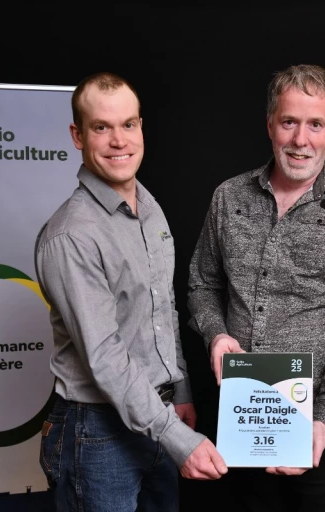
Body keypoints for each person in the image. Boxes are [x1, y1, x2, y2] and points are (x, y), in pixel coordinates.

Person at [187, 64, 325, 512]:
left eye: (315, 124)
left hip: (322, 427)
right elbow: (202, 284)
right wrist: (216, 334)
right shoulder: (229, 197)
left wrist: (321, 422)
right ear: (270, 124)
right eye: (289, 122)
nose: (301, 140)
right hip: (243, 417)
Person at [34, 72, 226, 512]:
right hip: (97, 432)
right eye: (101, 127)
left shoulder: (149, 208)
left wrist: (179, 392)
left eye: (129, 125)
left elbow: (163, 308)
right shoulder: (71, 236)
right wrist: (177, 438)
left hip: (153, 416)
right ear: (77, 136)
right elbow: (105, 357)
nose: (119, 140)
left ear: (141, 128)